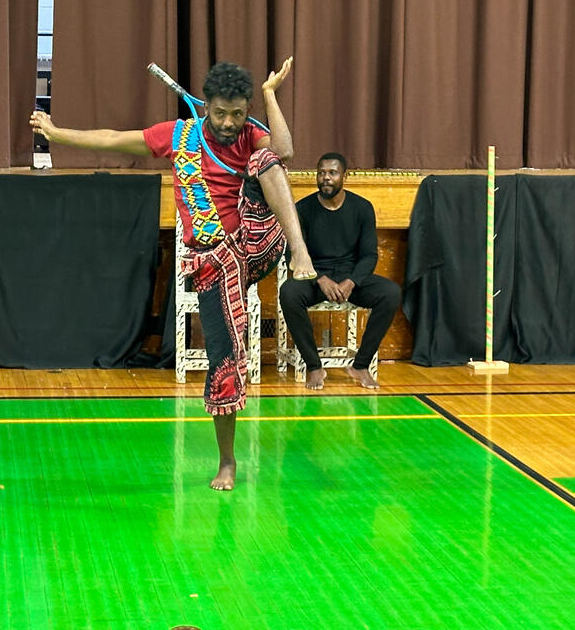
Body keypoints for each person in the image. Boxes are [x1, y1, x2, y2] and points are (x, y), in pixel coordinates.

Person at [29, 58, 315, 491]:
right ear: (206, 107)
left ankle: (301, 248)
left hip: (258, 242)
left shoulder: (251, 136)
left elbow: (286, 152)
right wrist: (57, 133)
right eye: (221, 113)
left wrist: (270, 95)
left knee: (265, 159)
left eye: (238, 113)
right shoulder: (179, 136)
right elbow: (113, 139)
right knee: (224, 362)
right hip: (215, 263)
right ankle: (227, 461)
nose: (229, 123)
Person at [279, 152, 400, 390]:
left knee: (390, 293)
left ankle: (360, 365)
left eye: (332, 173)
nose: (326, 178)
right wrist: (320, 278)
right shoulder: (302, 209)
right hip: (315, 277)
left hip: (349, 279)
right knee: (289, 293)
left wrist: (351, 281)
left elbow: (369, 255)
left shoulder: (362, 208)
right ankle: (314, 367)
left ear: (345, 176)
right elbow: (293, 253)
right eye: (321, 173)